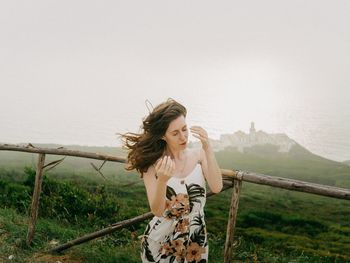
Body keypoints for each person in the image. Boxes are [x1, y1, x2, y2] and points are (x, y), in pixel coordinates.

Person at [119, 98, 223, 263]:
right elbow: (158, 211)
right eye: (175, 133)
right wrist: (162, 181)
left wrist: (208, 147)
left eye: (184, 129)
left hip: (196, 239)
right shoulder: (152, 166)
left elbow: (217, 187)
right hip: (162, 242)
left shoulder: (199, 155)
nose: (183, 137)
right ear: (163, 136)